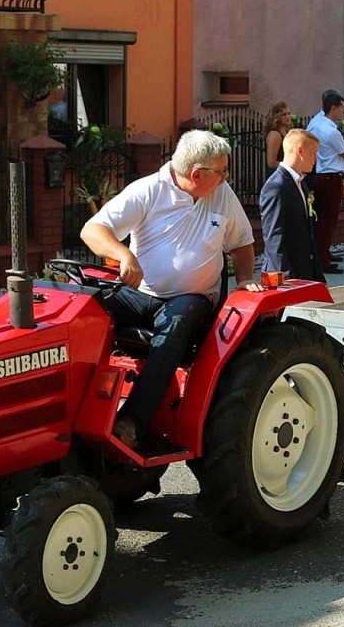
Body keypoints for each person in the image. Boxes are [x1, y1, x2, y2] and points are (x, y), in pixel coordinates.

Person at [81, 131, 258, 449]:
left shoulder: (221, 193)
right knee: (84, 309)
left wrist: (245, 279)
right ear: (197, 174)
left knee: (173, 325)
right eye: (222, 171)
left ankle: (132, 422)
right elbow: (92, 229)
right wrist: (124, 255)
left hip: (194, 297)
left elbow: (242, 243)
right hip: (140, 293)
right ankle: (82, 406)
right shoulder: (149, 190)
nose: (226, 176)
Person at [259, 128, 323, 281]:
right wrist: (288, 277)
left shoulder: (301, 184)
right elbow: (274, 237)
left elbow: (308, 234)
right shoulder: (276, 186)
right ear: (300, 150)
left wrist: (318, 276)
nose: (316, 159)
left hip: (304, 270)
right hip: (285, 275)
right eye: (313, 153)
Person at [306, 89, 344, 274]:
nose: (343, 111)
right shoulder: (331, 132)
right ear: (333, 108)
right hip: (330, 177)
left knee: (321, 221)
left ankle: (322, 253)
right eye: (342, 108)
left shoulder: (317, 122)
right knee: (327, 221)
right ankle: (322, 260)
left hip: (319, 175)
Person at [263, 101, 293, 172]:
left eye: (288, 113)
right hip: (278, 174)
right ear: (277, 116)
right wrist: (290, 166)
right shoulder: (274, 134)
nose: (287, 117)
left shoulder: (287, 131)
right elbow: (271, 163)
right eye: (284, 114)